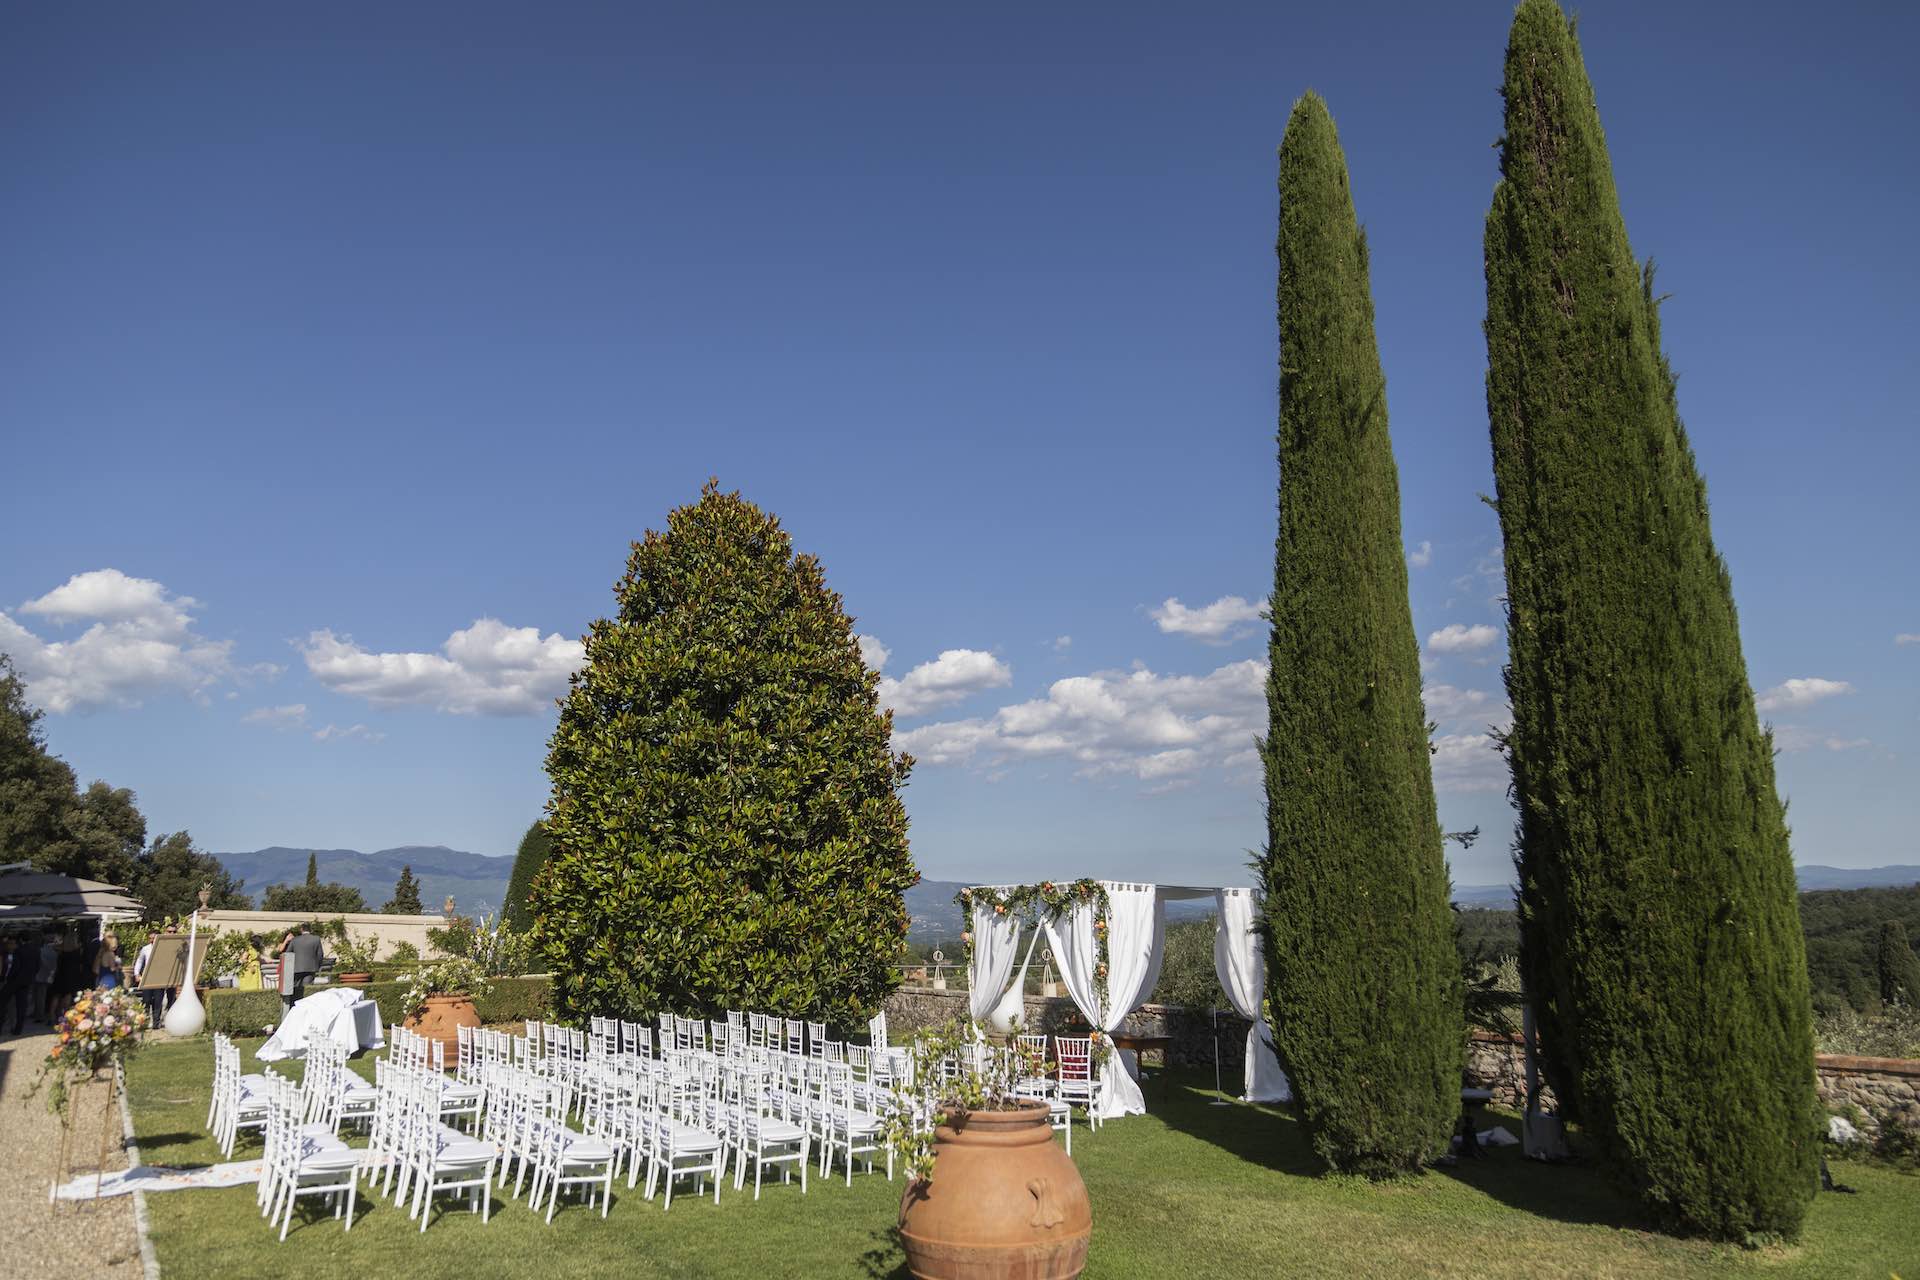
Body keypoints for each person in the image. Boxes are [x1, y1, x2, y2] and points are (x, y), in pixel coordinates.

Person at [279, 922, 326, 1012]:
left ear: (301, 929)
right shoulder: (316, 939)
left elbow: (287, 953)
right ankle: (305, 1010)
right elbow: (320, 955)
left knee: (295, 990)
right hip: (310, 968)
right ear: (310, 929)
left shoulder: (295, 940)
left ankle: (294, 1009)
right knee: (307, 990)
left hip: (296, 969)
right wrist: (318, 966)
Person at [131, 930, 162, 1022]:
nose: (152, 940)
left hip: (159, 977)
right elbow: (139, 961)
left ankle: (156, 1022)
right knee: (146, 1000)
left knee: (158, 1000)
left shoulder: (162, 948)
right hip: (147, 976)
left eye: (154, 938)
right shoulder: (145, 949)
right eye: (150, 938)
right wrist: (137, 974)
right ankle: (145, 1020)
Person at [34, 928, 59, 1023]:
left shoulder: (41, 950)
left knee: (40, 996)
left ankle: (39, 1015)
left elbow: (39, 963)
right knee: (45, 995)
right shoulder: (55, 951)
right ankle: (43, 1013)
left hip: (40, 975)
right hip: (51, 975)